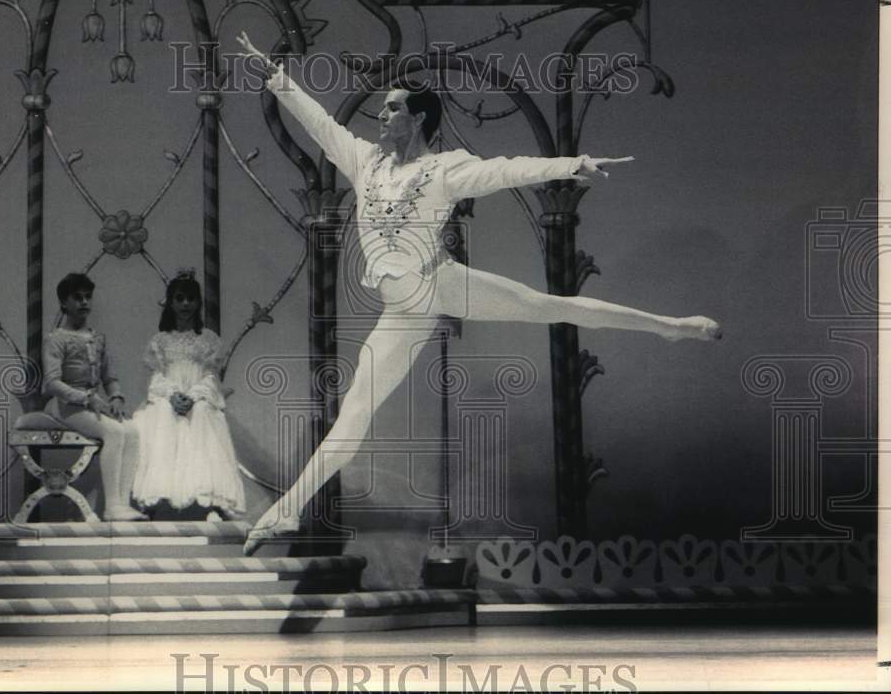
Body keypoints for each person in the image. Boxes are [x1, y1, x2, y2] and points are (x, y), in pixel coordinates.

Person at [236, 31, 721, 554]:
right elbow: (320, 123)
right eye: (383, 107)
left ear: (418, 119)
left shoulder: (446, 169)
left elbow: (505, 170)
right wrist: (277, 77)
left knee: (550, 307)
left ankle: (670, 327)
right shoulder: (363, 162)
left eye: (393, 108)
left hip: (442, 283)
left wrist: (570, 165)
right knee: (354, 413)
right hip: (403, 312)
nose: (381, 114)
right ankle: (286, 512)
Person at [131, 270, 246, 519]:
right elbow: (156, 376)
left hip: (199, 396)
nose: (185, 304)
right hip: (167, 397)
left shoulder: (208, 339)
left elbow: (210, 375)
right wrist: (173, 395)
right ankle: (153, 499)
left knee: (202, 413)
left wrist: (193, 396)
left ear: (198, 302)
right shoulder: (160, 340)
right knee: (161, 415)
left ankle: (213, 501)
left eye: (191, 299)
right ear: (171, 303)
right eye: (180, 299)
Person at [42, 273, 147, 521]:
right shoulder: (56, 339)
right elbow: (52, 383)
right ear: (63, 303)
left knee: (132, 431)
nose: (84, 302)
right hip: (65, 405)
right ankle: (112, 506)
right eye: (77, 297)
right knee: (114, 432)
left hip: (92, 404)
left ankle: (123, 504)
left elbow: (110, 378)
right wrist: (86, 399)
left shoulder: (97, 338)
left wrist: (116, 397)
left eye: (88, 297)